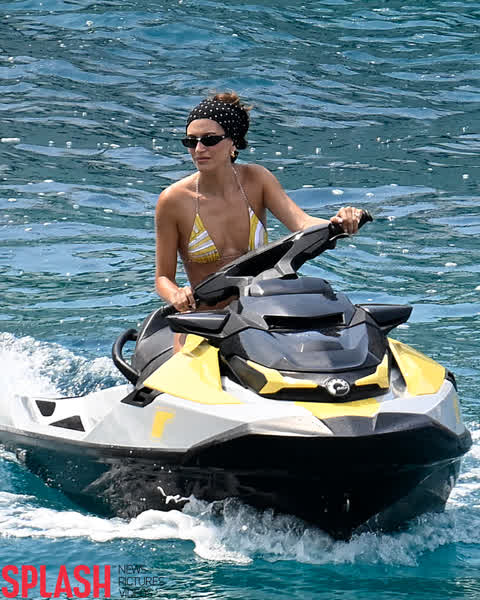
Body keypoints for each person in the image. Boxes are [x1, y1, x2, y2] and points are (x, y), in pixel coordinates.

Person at [155, 91, 363, 325]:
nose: (199, 149)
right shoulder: (173, 200)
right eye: (191, 141)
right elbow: (163, 277)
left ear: (233, 141)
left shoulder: (257, 179)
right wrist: (176, 294)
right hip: (208, 320)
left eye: (209, 140)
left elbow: (302, 223)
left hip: (263, 313)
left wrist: (339, 222)